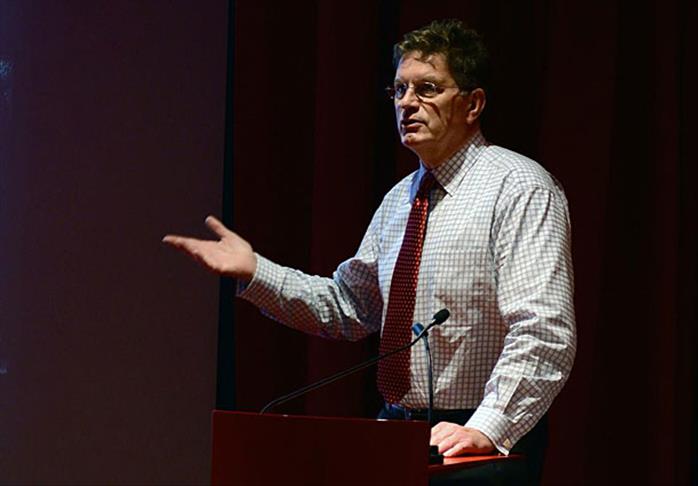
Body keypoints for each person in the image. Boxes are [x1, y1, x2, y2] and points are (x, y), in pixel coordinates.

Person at [164, 19, 575, 485]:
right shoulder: (400, 200)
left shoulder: (519, 188)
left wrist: (487, 426)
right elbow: (350, 307)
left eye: (427, 89)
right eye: (399, 89)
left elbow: (544, 330)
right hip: (398, 433)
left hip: (480, 441)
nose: (407, 103)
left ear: (473, 103)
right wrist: (256, 271)